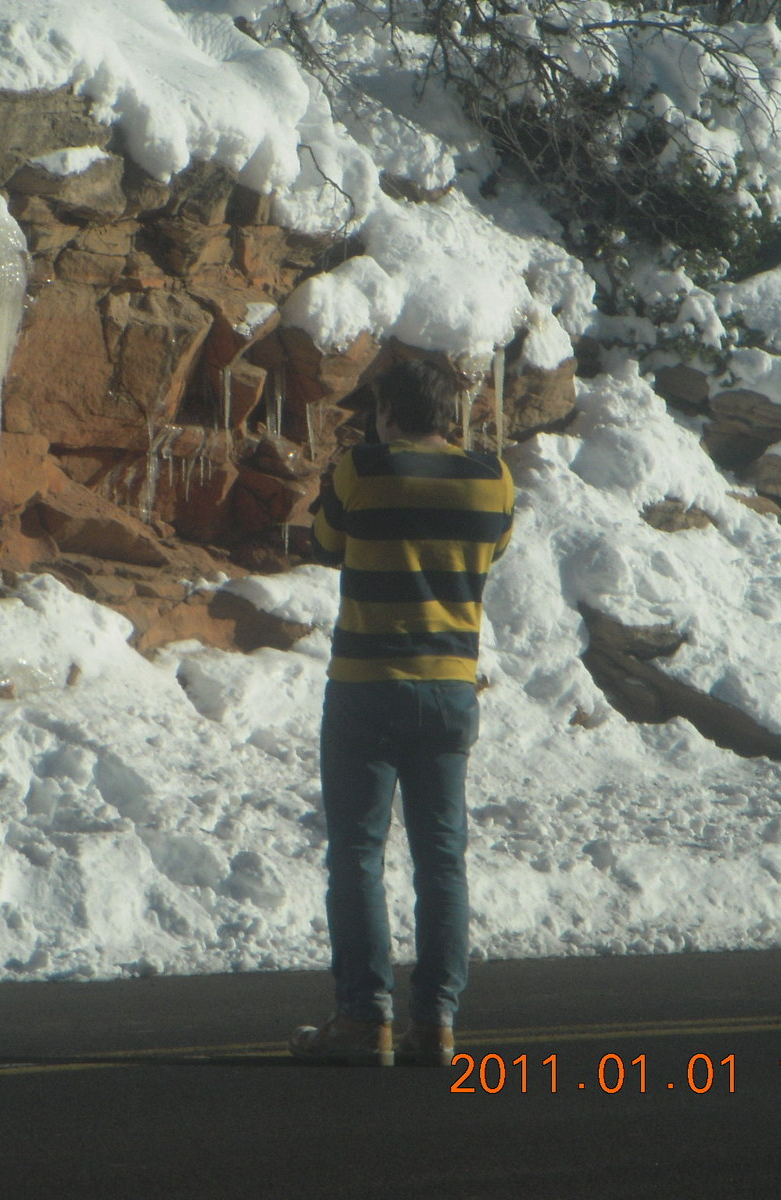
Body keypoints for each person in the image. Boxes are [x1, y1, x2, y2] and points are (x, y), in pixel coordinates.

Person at [290, 358, 514, 1067]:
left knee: (358, 854)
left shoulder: (362, 469)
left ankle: (364, 1019)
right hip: (450, 690)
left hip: (367, 686)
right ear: (449, 414)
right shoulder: (494, 479)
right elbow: (494, 548)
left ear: (388, 412)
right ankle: (437, 1022)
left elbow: (326, 543)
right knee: (442, 859)